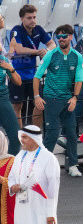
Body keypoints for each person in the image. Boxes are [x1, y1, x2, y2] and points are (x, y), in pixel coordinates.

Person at [33, 24, 82, 177]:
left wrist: (75, 97)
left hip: (68, 100)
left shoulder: (77, 56)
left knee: (72, 135)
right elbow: (37, 76)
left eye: (64, 36)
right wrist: (36, 96)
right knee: (52, 135)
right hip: (51, 100)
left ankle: (73, 165)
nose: (60, 39)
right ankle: (41, 166)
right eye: (58, 37)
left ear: (71, 37)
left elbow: (79, 79)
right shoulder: (50, 55)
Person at [10, 4, 55, 129]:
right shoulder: (16, 30)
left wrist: (45, 49)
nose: (33, 20)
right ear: (22, 19)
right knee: (17, 106)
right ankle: (19, 134)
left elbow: (53, 45)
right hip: (17, 75)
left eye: (34, 17)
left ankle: (36, 134)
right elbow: (19, 49)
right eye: (29, 18)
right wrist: (39, 52)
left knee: (39, 104)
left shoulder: (39, 29)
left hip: (34, 75)